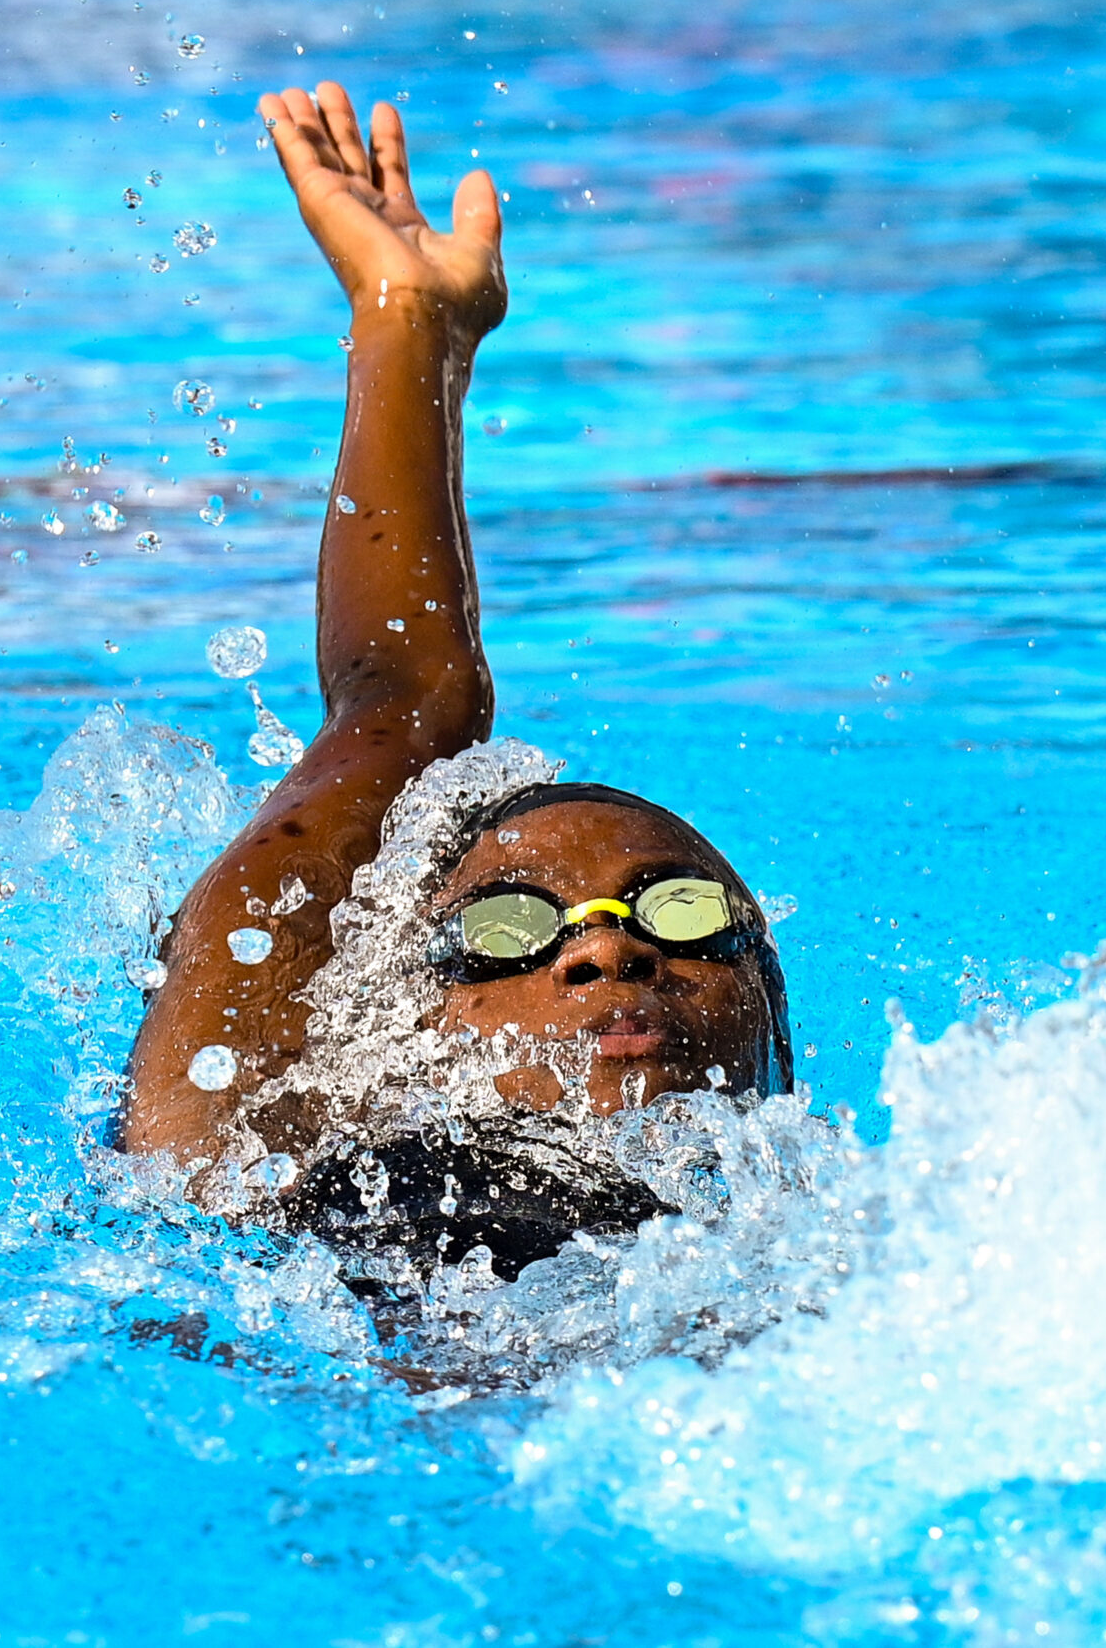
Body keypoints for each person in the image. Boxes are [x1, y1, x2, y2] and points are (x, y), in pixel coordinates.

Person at [118, 83, 795, 1281]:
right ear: (399, 1026)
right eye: (506, 928)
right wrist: (403, 321)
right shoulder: (249, 1163)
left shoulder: (864, 1241)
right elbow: (399, 716)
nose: (604, 953)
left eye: (682, 912)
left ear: (772, 1026)